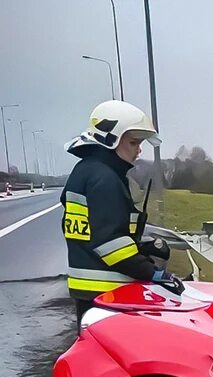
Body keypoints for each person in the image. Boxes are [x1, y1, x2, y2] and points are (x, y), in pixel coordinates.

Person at [61, 100, 174, 319]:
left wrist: (141, 247)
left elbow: (96, 229)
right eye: (133, 142)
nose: (139, 150)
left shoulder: (85, 171)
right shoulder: (105, 179)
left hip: (88, 289)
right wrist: (154, 273)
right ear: (110, 139)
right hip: (107, 291)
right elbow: (110, 244)